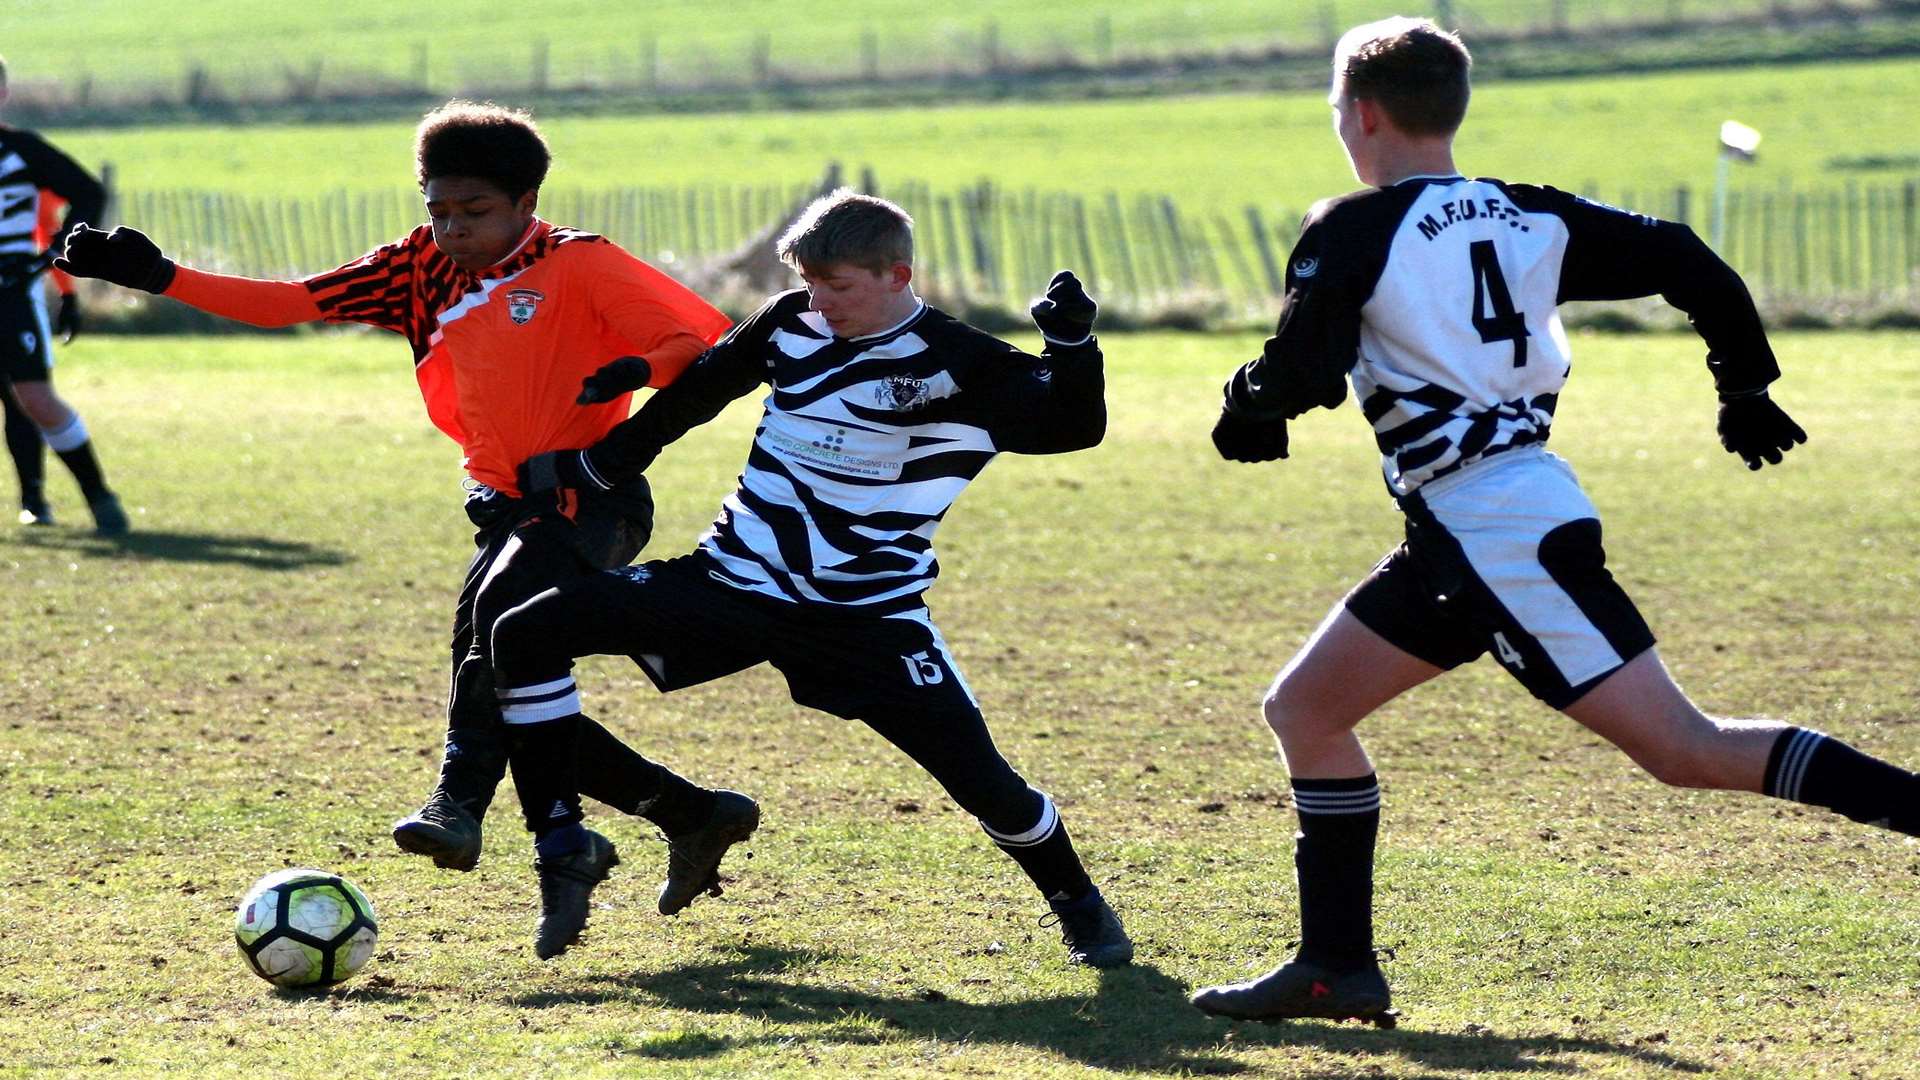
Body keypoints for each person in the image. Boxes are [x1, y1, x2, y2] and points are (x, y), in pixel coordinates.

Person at [1189, 17, 1920, 1027]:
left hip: (1497, 536)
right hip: (1465, 531)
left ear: (1358, 115)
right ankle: (1335, 969)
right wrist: (1743, 386)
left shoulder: (1353, 227)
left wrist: (1246, 401)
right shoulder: (1531, 217)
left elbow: (1305, 370)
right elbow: (1685, 257)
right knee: (1307, 711)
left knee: (1686, 749)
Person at [56, 101, 739, 958]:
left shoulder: (580, 262)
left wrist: (642, 367)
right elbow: (291, 302)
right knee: (504, 680)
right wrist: (163, 279)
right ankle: (689, 812)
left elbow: (704, 343)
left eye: (474, 212)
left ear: (528, 200)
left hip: (589, 502)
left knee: (495, 648)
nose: (451, 229)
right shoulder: (417, 266)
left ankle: (470, 809)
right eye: (437, 209)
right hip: (501, 506)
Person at [485, 189, 1134, 966]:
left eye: (841, 288)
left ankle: (1079, 905)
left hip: (864, 615)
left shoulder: (963, 363)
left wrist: (1072, 346)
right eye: (812, 285)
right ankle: (588, 840)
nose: (822, 305)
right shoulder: (790, 322)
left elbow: (1073, 427)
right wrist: (597, 464)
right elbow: (697, 394)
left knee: (983, 782)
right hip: (728, 582)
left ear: (898, 275)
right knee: (519, 638)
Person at [0, 55, 127, 533]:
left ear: (3, 94)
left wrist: (56, 252)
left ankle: (99, 495)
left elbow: (88, 193)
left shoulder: (22, 150)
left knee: (33, 397)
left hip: (10, 290)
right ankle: (34, 498)